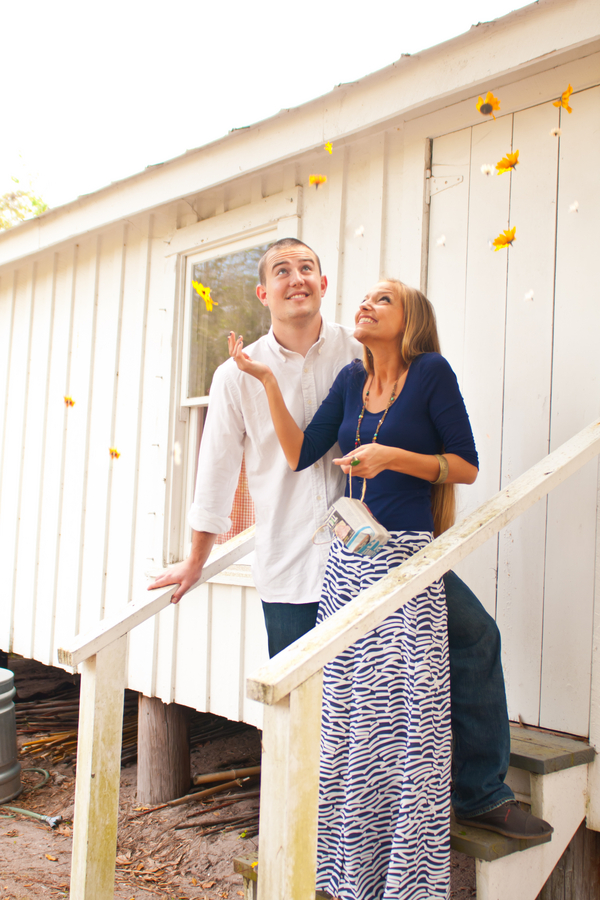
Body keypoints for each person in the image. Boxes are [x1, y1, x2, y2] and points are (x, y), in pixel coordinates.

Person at [150, 238, 552, 841]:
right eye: (281, 272)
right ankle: (307, 837)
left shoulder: (354, 347)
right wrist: (195, 560)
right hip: (291, 562)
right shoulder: (237, 375)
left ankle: (478, 793)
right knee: (308, 705)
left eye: (306, 268)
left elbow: (442, 438)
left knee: (470, 640)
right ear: (264, 293)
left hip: (379, 558)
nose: (296, 279)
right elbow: (217, 475)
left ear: (323, 282)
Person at [230, 278, 478, 897]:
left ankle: (405, 880)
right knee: (349, 719)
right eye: (364, 298)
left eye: (382, 300)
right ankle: (345, 875)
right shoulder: (348, 380)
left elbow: (466, 466)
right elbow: (299, 453)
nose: (365, 306)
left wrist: (391, 456)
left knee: (409, 717)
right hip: (348, 559)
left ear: (411, 319)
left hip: (405, 562)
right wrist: (265, 381)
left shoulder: (431, 373)